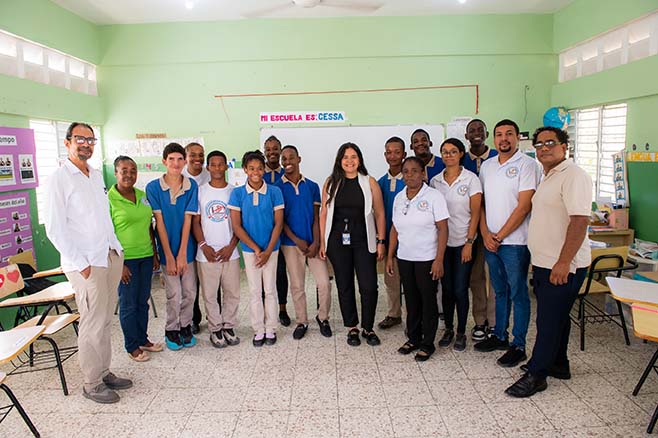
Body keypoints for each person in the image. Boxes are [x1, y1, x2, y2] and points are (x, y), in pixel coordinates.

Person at [45, 122, 131, 404]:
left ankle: (104, 371)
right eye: (80, 139)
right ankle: (91, 382)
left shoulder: (94, 175)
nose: (86, 144)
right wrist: (80, 263)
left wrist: (115, 249)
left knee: (105, 319)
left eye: (90, 140)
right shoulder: (59, 179)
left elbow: (102, 218)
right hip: (85, 263)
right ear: (67, 142)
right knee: (92, 321)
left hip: (108, 255)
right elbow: (55, 229)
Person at [506, 127, 592, 397]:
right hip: (545, 262)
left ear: (564, 146)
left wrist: (564, 262)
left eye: (550, 143)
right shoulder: (548, 175)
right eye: (539, 144)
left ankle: (537, 374)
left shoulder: (573, 175)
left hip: (563, 264)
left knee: (548, 321)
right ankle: (558, 363)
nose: (544, 148)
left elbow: (580, 221)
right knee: (558, 318)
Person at [474, 119, 541, 368]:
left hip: (515, 243)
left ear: (517, 138)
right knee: (499, 291)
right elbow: (481, 204)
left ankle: (518, 345)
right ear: (494, 139)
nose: (504, 138)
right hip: (491, 242)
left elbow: (524, 206)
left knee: (518, 293)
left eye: (509, 134)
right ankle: (500, 336)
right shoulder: (488, 166)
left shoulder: (528, 165)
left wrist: (499, 236)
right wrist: (485, 234)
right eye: (499, 134)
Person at [319, 143, 386, 346]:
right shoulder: (331, 182)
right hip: (337, 241)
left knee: (369, 286)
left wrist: (381, 241)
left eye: (354, 156)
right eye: (345, 157)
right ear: (339, 161)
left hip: (364, 240)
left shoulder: (369, 182)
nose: (350, 161)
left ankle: (368, 327)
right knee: (344, 284)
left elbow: (380, 213)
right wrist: (322, 242)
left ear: (360, 159)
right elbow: (324, 214)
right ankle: (352, 327)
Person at [387, 156, 448, 361]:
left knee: (428, 301)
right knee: (411, 300)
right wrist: (390, 256)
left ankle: (427, 343)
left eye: (414, 171)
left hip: (427, 258)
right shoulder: (399, 197)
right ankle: (413, 338)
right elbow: (394, 228)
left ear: (423, 173)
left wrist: (439, 259)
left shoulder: (434, 196)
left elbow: (443, 229)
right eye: (405, 171)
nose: (410, 175)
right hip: (405, 257)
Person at [109, 156, 163, 362]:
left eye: (133, 171)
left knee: (142, 302)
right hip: (125, 260)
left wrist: (155, 253)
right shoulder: (109, 199)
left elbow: (149, 226)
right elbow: (106, 234)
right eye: (124, 171)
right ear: (116, 173)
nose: (129, 175)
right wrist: (119, 264)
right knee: (128, 304)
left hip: (146, 256)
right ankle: (131, 346)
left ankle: (142, 339)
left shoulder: (142, 196)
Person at [276, 145, 333, 340]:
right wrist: (297, 240)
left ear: (299, 159)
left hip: (313, 243)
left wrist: (316, 241)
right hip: (291, 244)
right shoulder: (277, 188)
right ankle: (302, 321)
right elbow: (280, 221)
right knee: (297, 285)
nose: (287, 162)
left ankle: (323, 318)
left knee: (324, 283)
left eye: (291, 157)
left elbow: (317, 217)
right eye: (284, 159)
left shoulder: (312, 186)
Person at [430, 139, 482, 352]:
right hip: (443, 245)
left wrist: (469, 242)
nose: (449, 155)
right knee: (447, 289)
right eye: (445, 152)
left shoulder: (471, 179)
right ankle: (449, 329)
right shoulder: (435, 181)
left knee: (461, 289)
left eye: (453, 151)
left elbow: (476, 213)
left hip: (463, 242)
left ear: (461, 154)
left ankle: (461, 332)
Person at [146, 143, 199, 351]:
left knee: (190, 292)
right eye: (171, 159)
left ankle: (185, 326)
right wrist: (168, 256)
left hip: (187, 250)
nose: (176, 163)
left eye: (179, 159)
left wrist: (182, 254)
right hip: (167, 249)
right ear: (164, 161)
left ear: (185, 161)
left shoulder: (191, 186)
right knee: (174, 293)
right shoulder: (153, 188)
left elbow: (188, 220)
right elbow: (159, 223)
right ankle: (171, 329)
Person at [229, 150, 284, 346]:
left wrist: (267, 250)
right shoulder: (237, 194)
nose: (256, 172)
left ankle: (271, 328)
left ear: (264, 170)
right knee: (254, 291)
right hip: (249, 250)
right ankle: (258, 329)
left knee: (270, 290)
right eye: (251, 168)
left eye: (260, 168)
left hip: (272, 249)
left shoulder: (274, 192)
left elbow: (278, 223)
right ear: (245, 169)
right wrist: (257, 249)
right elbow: (237, 226)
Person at [192, 150, 241, 348]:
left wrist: (231, 246)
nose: (218, 168)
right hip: (207, 253)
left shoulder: (234, 191)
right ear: (208, 167)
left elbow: (239, 223)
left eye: (221, 164)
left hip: (230, 252)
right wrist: (204, 246)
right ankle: (215, 328)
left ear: (226, 167)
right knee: (210, 295)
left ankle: (229, 326)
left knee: (232, 293)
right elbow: (195, 222)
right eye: (213, 164)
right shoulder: (200, 191)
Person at [463, 119, 498, 342]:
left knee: (494, 278)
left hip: (496, 229)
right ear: (466, 136)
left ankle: (494, 322)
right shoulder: (461, 159)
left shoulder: (497, 157)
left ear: (486, 134)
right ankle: (480, 320)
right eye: (472, 131)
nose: (476, 133)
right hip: (470, 231)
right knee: (475, 278)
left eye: (480, 130)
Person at [377, 137, 406, 330]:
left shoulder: (412, 178)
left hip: (410, 242)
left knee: (411, 283)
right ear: (385, 155)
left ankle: (413, 318)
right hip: (389, 240)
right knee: (391, 280)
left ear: (404, 154)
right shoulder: (380, 183)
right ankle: (394, 314)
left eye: (397, 152)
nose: (393, 156)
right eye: (389, 152)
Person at [263, 135, 290, 326]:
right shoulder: (257, 173)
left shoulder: (287, 174)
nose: (272, 152)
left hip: (284, 233)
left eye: (275, 149)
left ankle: (282, 309)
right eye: (268, 149)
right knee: (263, 274)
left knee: (281, 272)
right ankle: (265, 309)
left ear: (280, 151)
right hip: (263, 232)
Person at [182, 142, 209, 335]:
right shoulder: (181, 176)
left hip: (207, 231)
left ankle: (215, 316)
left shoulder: (210, 174)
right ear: (186, 157)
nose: (198, 159)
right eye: (193, 155)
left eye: (201, 155)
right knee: (191, 282)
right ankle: (194, 318)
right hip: (187, 232)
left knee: (210, 279)